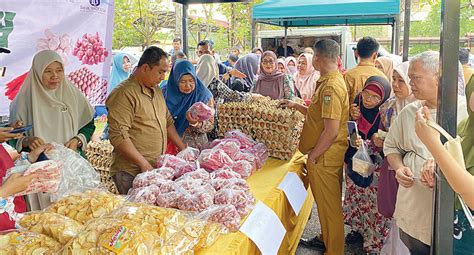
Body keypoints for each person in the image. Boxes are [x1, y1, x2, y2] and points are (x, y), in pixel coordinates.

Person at [382, 51, 466, 254]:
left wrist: (439, 161)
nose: (411, 84)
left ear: (439, 76)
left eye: (416, 78)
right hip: (413, 210)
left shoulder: (465, 112)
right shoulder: (409, 112)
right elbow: (391, 147)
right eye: (410, 78)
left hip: (452, 217)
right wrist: (399, 168)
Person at [282, 39, 349, 254]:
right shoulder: (328, 80)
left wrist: (313, 157)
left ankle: (335, 249)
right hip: (324, 154)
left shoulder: (331, 87)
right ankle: (327, 239)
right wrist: (296, 106)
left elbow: (330, 130)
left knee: (330, 208)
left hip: (325, 157)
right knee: (325, 204)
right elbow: (317, 116)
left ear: (318, 58)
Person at [9, 50, 95, 210]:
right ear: (37, 72)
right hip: (40, 170)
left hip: (71, 167)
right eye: (48, 71)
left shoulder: (72, 95)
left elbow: (89, 124)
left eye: (59, 70)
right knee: (45, 220)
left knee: (75, 213)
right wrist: (26, 141)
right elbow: (11, 136)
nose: (54, 76)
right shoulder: (23, 101)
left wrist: (77, 140)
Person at [106, 46, 186, 195]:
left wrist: (183, 149)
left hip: (154, 168)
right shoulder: (124, 94)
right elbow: (118, 135)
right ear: (145, 68)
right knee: (137, 214)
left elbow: (167, 121)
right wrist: (143, 163)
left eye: (165, 72)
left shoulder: (155, 89)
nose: (163, 77)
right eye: (160, 72)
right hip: (131, 171)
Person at [416, 78, 473, 253]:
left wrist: (432, 144)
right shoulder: (466, 126)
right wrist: (435, 167)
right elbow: (455, 164)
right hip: (458, 228)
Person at [343, 76, 392, 253]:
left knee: (373, 206)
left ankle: (373, 242)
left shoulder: (387, 114)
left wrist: (378, 141)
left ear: (383, 99)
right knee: (356, 198)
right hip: (355, 162)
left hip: (375, 168)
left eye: (374, 97)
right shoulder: (356, 106)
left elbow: (392, 141)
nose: (368, 100)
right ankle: (357, 231)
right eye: (366, 94)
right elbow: (348, 130)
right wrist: (350, 115)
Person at [165, 60, 214, 149]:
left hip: (195, 146)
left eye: (191, 81)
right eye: (183, 82)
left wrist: (195, 123)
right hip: (170, 145)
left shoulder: (203, 95)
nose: (188, 85)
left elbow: (210, 125)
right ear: (175, 80)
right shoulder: (165, 94)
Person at [344, 37, 387, 103]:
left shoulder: (348, 76)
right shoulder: (382, 77)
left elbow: (344, 102)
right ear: (375, 55)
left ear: (356, 53)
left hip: (353, 112)